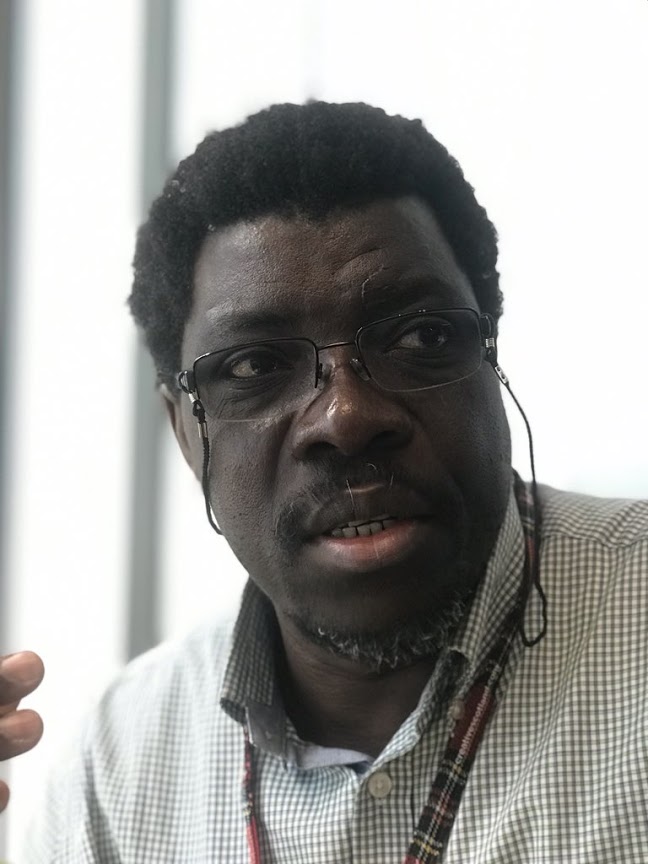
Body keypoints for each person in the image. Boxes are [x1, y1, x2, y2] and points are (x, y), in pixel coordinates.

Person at [2, 101, 647, 862]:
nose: (346, 418)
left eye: (421, 335)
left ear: (491, 356)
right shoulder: (117, 770)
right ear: (183, 430)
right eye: (254, 365)